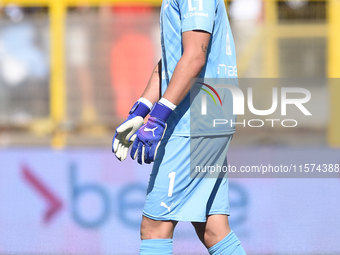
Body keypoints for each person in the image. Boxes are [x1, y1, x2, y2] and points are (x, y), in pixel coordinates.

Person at [112, 0, 246, 254]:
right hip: (206, 118)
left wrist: (158, 118)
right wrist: (142, 110)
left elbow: (195, 56)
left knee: (154, 228)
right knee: (213, 229)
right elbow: (174, 62)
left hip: (193, 122)